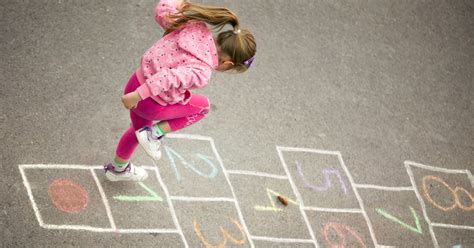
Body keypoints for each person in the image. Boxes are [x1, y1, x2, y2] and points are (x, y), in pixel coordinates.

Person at [103, 0, 257, 181]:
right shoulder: (202, 71)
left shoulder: (195, 26)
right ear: (227, 64)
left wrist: (179, 3)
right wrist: (138, 95)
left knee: (138, 132)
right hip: (148, 100)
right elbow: (169, 77)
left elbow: (163, 11)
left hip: (135, 82)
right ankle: (155, 134)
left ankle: (118, 170)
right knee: (203, 107)